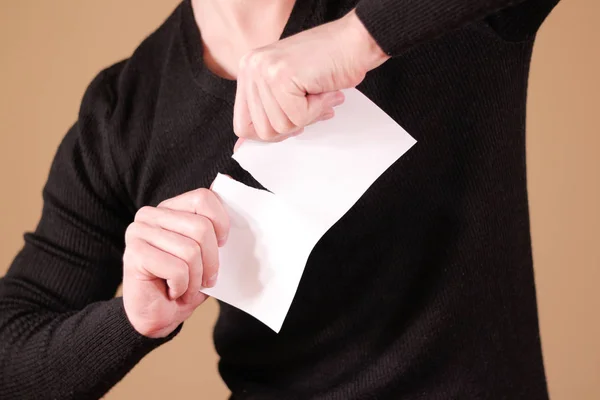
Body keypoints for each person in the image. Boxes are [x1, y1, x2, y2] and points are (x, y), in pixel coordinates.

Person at [0, 0, 561, 398]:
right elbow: (11, 358)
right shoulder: (123, 112)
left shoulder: (438, 19)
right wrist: (129, 320)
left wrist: (358, 38)